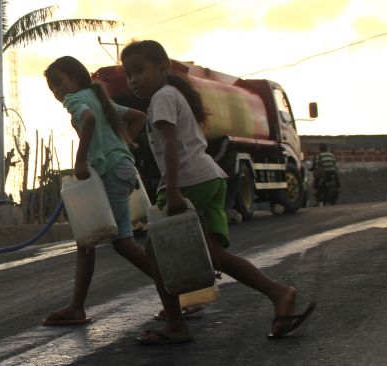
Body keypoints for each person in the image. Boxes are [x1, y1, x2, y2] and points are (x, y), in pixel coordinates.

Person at [120, 40, 316, 344]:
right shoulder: (173, 95)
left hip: (187, 183)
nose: (132, 79)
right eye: (128, 74)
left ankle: (175, 324)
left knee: (157, 255)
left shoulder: (162, 98)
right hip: (209, 178)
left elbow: (171, 145)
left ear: (163, 68)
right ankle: (279, 294)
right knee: (215, 256)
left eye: (139, 71)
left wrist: (172, 191)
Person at [41, 56, 203, 325]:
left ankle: (182, 294)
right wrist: (126, 142)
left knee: (123, 243)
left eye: (59, 83)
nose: (58, 92)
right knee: (87, 240)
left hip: (110, 173)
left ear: (76, 77)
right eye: (52, 89)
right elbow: (137, 117)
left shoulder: (77, 100)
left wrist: (80, 160)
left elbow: (89, 120)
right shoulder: (99, 97)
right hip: (121, 170)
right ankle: (76, 307)